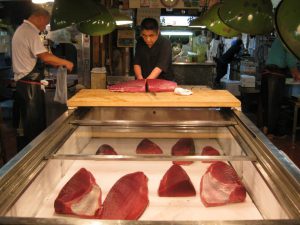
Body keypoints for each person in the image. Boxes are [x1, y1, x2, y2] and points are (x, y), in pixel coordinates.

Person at [12, 7, 74, 147]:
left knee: (30, 129)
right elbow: (45, 57)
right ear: (40, 18)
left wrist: (56, 62)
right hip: (29, 89)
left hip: (26, 86)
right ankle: (33, 163)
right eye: (45, 23)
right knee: (34, 131)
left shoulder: (22, 30)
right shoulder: (29, 31)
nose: (44, 27)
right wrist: (66, 62)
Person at [261, 37, 300, 138]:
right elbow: (290, 60)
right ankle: (271, 133)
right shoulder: (290, 39)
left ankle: (265, 128)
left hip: (267, 72)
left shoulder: (281, 36)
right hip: (276, 74)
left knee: (267, 103)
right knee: (274, 104)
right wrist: (296, 73)